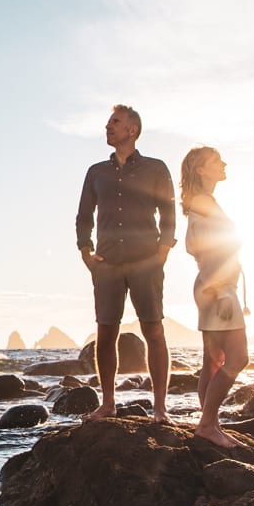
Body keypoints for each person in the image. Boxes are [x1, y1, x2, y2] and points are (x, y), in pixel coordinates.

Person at [75, 104, 177, 423]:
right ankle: (108, 404)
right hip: (106, 264)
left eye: (115, 122)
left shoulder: (156, 169)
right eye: (108, 122)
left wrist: (162, 252)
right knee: (106, 332)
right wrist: (86, 252)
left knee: (154, 330)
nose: (108, 127)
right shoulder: (96, 172)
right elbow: (84, 216)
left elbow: (169, 213)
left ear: (132, 130)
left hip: (146, 262)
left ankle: (160, 409)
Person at [180, 146, 249, 448]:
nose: (224, 163)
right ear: (200, 169)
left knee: (213, 360)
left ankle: (210, 423)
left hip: (212, 285)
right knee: (237, 358)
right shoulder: (204, 202)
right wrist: (221, 291)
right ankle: (208, 424)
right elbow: (206, 247)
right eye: (216, 160)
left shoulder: (202, 201)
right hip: (217, 287)